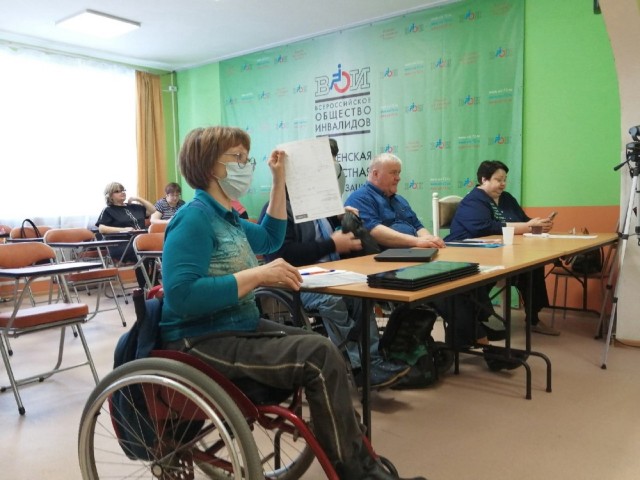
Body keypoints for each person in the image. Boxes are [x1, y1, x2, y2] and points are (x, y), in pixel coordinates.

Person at [160, 126, 425, 480]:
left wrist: (278, 180)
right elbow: (181, 295)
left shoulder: (227, 218)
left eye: (247, 159)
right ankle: (358, 472)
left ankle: (361, 459)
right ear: (209, 165)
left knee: (324, 349)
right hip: (200, 338)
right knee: (318, 355)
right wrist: (257, 275)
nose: (245, 166)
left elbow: (271, 237)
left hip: (238, 325)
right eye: (237, 158)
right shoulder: (193, 218)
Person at [260, 141, 410, 389]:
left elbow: (326, 232)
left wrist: (339, 216)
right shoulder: (277, 209)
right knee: (333, 301)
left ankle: (373, 361)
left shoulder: (317, 206)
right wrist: (332, 244)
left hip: (329, 273)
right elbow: (282, 255)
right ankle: (358, 367)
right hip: (297, 279)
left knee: (361, 297)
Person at [345, 153, 493, 349]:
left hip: (414, 256)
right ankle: (478, 334)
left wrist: (430, 240)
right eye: (393, 173)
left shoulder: (399, 200)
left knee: (466, 273)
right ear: (375, 173)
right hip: (389, 263)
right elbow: (376, 232)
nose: (398, 178)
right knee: (440, 285)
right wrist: (418, 242)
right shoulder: (360, 198)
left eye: (399, 173)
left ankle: (472, 329)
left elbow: (417, 225)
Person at [446, 160, 560, 336]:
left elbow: (524, 220)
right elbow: (485, 228)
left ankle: (533, 319)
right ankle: (476, 322)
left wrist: (538, 225)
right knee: (486, 273)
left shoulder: (507, 198)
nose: (503, 184)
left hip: (500, 251)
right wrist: (527, 227)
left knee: (533, 267)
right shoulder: (473, 200)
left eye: (505, 179)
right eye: (498, 180)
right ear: (484, 180)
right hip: (468, 253)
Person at [96, 182, 156, 288]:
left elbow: (152, 210)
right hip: (121, 245)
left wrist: (137, 199)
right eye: (117, 191)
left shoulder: (134, 207)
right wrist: (123, 229)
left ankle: (153, 283)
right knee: (143, 253)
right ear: (110, 195)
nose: (122, 192)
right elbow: (101, 228)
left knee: (159, 250)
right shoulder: (108, 210)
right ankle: (145, 287)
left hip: (139, 241)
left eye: (123, 190)